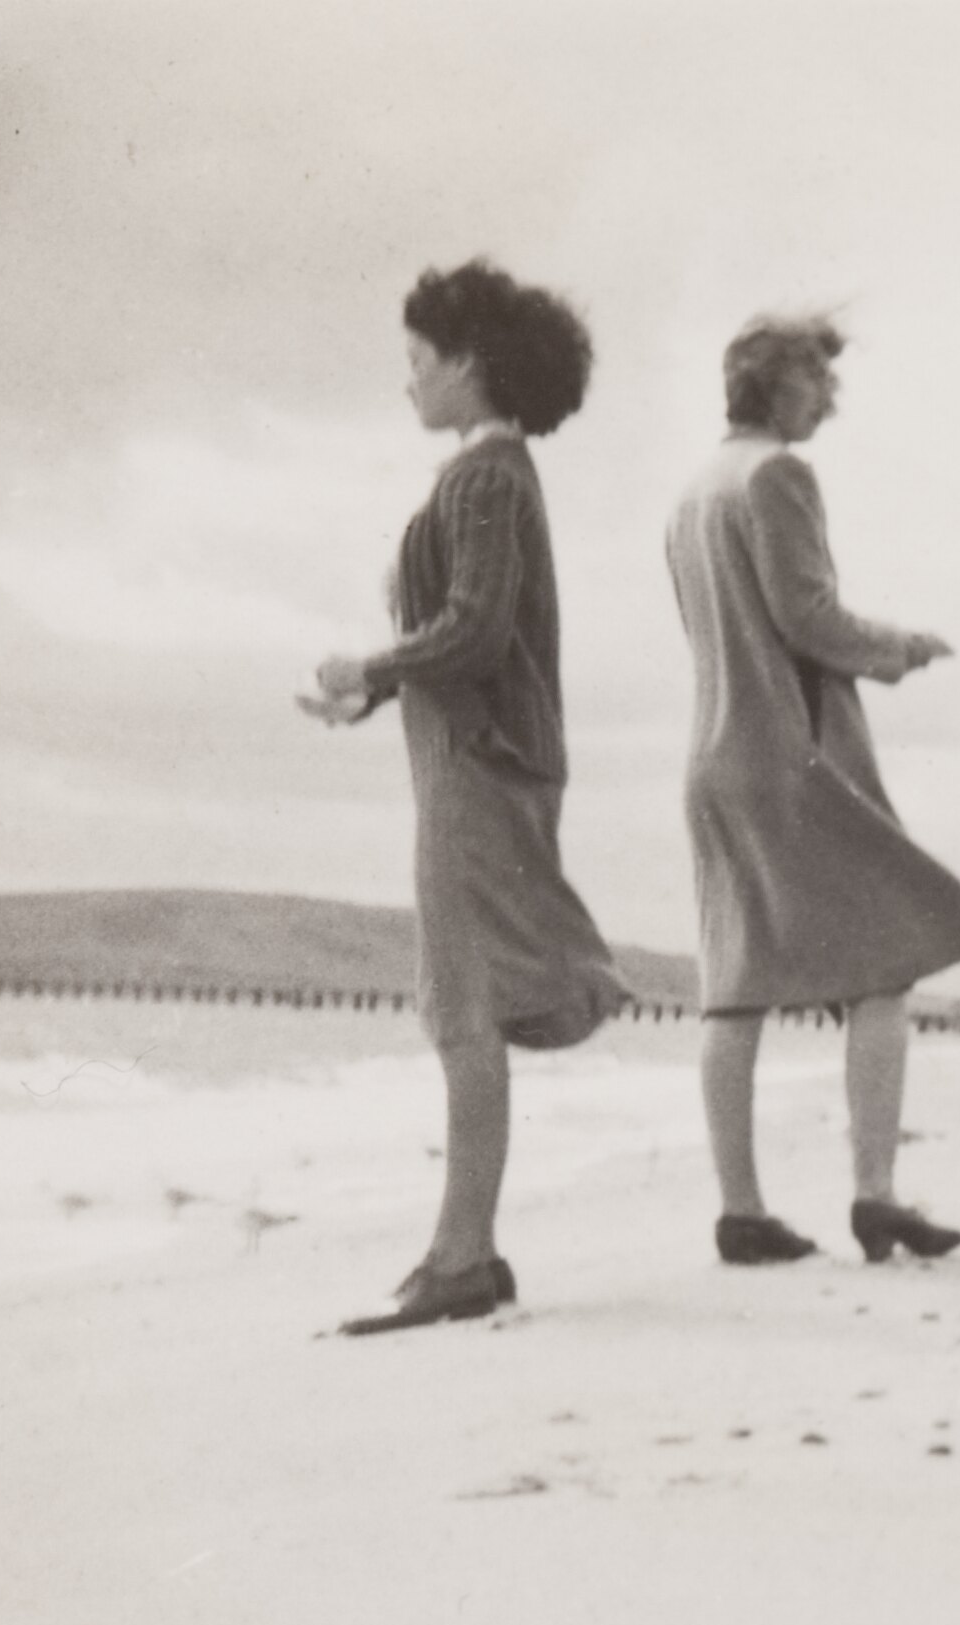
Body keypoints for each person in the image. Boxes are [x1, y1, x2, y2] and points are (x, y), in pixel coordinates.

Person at [304, 260, 629, 1334]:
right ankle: (465, 1252)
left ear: (469, 365)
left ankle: (462, 1257)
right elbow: (469, 635)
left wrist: (371, 665)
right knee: (467, 998)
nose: (407, 381)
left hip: (476, 763)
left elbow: (477, 632)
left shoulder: (485, 478)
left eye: (418, 361)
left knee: (463, 1004)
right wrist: (371, 694)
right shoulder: (490, 476)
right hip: (475, 754)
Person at [663, 313, 960, 1266]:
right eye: (817, 381)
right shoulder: (777, 476)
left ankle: (741, 1212)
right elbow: (808, 619)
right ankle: (874, 1194)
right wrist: (901, 648)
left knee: (734, 983)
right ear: (773, 385)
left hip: (713, 755)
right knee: (886, 955)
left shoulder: (693, 489)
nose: (829, 399)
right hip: (790, 755)